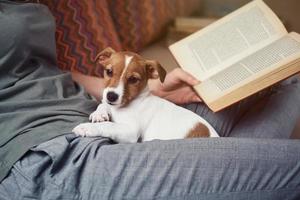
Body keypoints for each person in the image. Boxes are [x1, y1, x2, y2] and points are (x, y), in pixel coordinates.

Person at [0, 1, 300, 199]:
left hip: (91, 114)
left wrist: (148, 90)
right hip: (48, 155)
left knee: (285, 78)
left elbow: (48, 71)